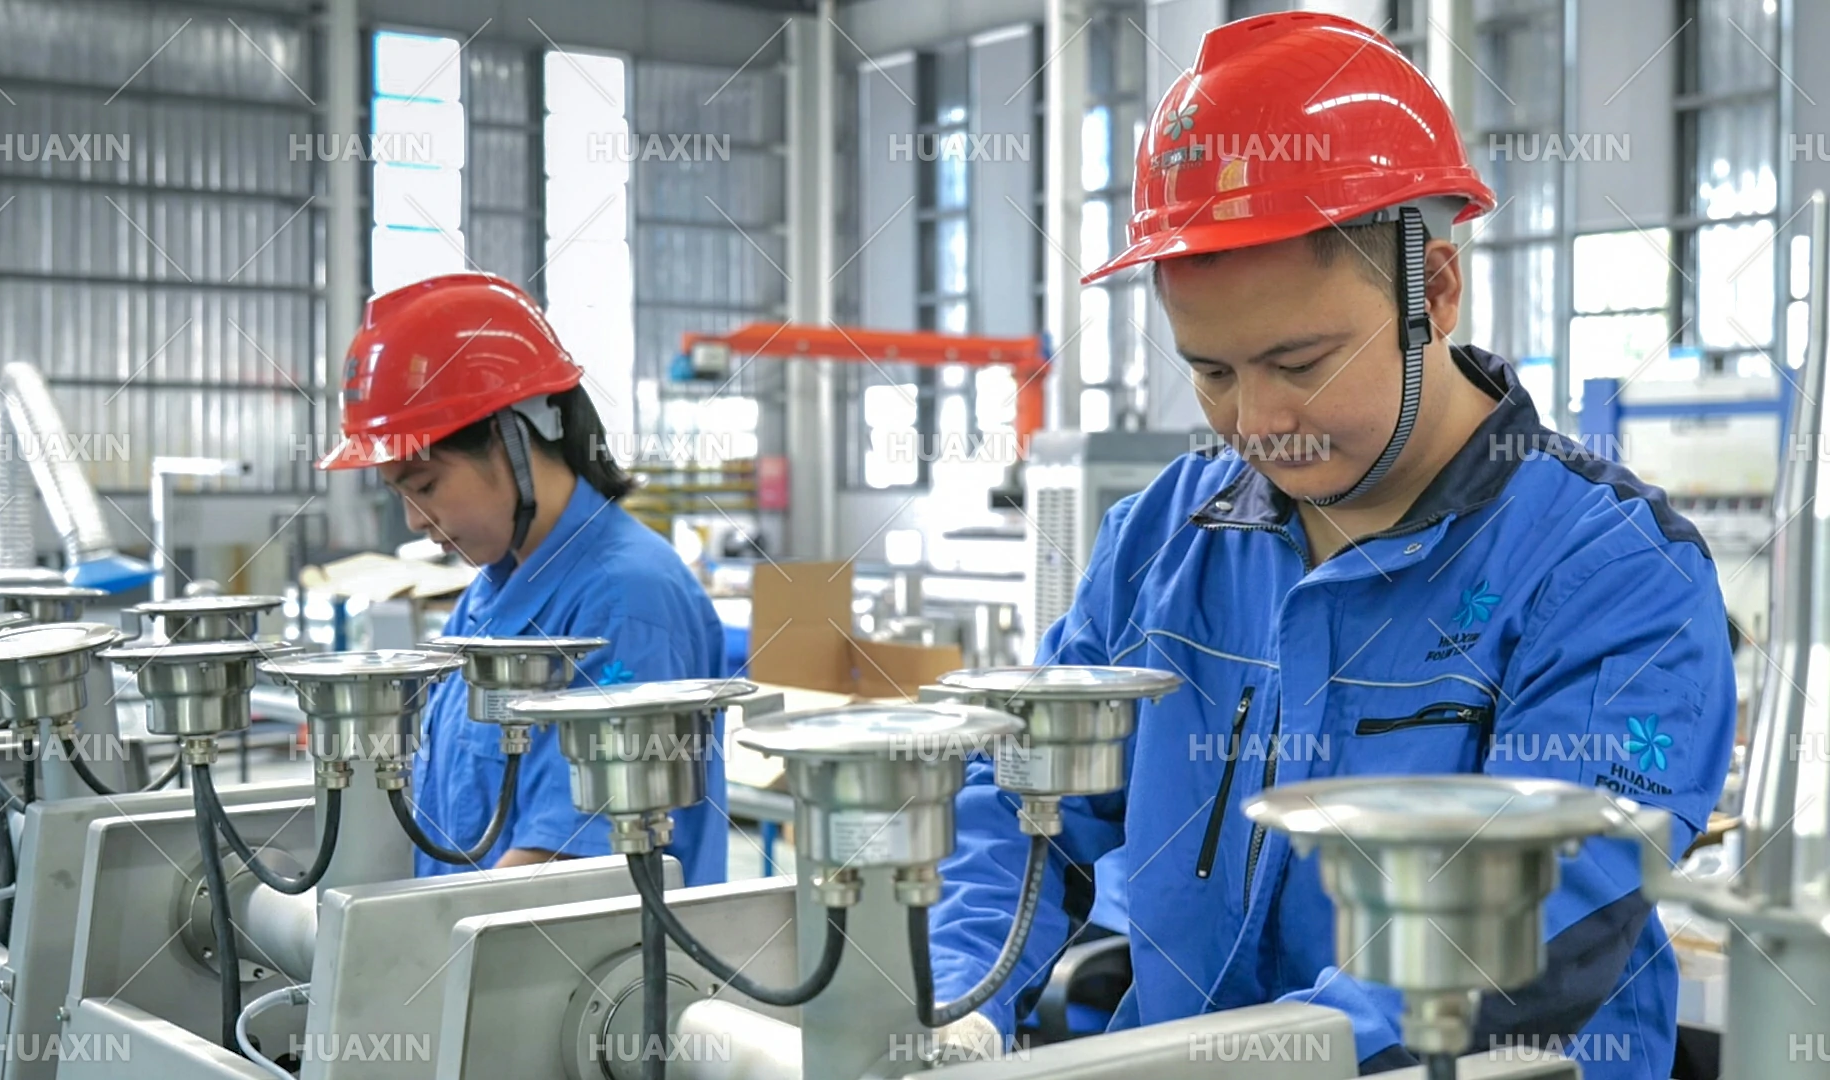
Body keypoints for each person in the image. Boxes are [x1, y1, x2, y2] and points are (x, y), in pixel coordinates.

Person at [929, 13, 1733, 1080]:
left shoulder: (1615, 578)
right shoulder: (1164, 540)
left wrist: (1198, 1069)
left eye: (1299, 361)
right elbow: (1023, 808)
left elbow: (1520, 941)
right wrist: (950, 1004)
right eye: (1211, 372)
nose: (1256, 421)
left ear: (1432, 292)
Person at [319, 272, 730, 885]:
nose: (414, 519)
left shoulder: (626, 600)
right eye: (397, 493)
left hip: (564, 974)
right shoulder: (493, 592)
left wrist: (405, 952)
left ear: (518, 436)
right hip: (472, 957)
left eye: (426, 485)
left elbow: (567, 871)